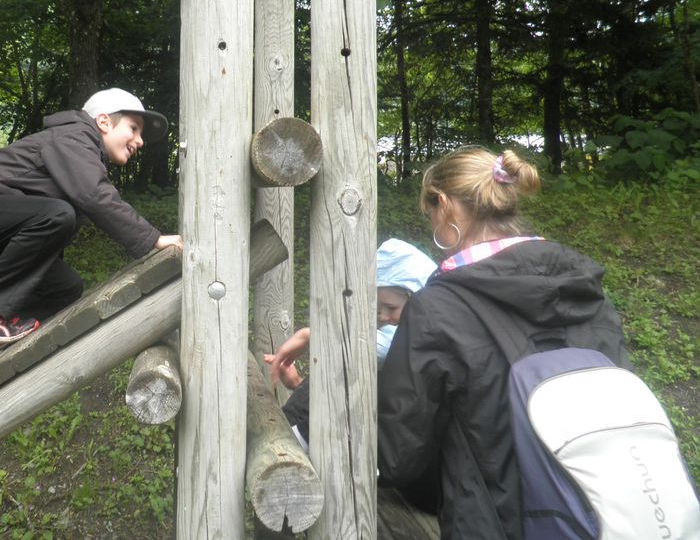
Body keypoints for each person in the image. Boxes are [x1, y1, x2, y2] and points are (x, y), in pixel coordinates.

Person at [377, 146, 631, 539]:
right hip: (605, 513)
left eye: (430, 216)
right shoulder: (585, 290)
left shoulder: (438, 307)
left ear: (444, 205)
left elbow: (399, 457)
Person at [0, 88, 183, 361]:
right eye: (134, 128)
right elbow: (94, 195)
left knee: (64, 287)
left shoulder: (79, 148)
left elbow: (43, 232)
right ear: (104, 122)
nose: (140, 141)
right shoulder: (74, 136)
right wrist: (153, 238)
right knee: (59, 214)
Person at [266, 237, 437, 449]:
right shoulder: (407, 331)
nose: (383, 317)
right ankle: (285, 434)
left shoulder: (425, 332)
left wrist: (309, 335)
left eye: (391, 307)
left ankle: (285, 438)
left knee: (350, 359)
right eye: (380, 309)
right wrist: (298, 384)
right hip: (387, 430)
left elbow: (368, 350)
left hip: (401, 446)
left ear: (415, 297)